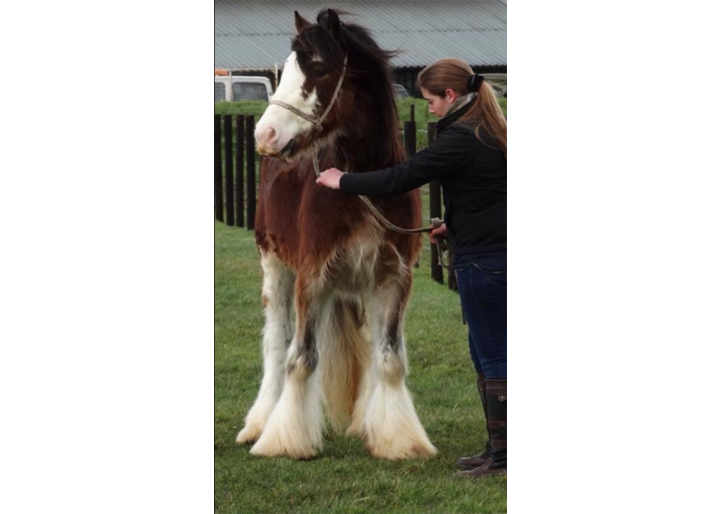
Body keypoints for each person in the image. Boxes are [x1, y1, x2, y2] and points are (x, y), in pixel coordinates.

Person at [316, 58, 507, 477]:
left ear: (451, 96)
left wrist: (342, 181)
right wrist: (449, 226)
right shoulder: (490, 129)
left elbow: (403, 177)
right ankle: (496, 448)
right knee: (487, 353)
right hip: (492, 253)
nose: (430, 108)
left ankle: (504, 458)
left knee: (494, 357)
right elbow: (490, 197)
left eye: (431, 101)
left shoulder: (461, 137)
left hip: (485, 262)